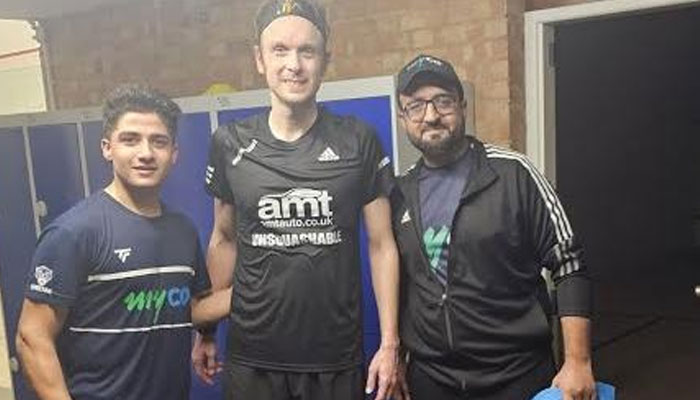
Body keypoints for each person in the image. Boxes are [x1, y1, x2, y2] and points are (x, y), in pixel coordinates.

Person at [191, 1, 400, 399]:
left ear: (325, 60)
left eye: (308, 51)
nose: (294, 65)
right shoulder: (230, 143)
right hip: (253, 359)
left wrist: (390, 343)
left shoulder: (358, 140)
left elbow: (381, 243)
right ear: (259, 59)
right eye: (280, 50)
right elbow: (224, 238)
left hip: (334, 358)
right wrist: (205, 329)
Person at [390, 55, 596, 400]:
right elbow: (399, 286)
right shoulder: (398, 192)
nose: (431, 115)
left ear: (463, 106)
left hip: (517, 376)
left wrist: (578, 361)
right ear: (402, 117)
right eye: (416, 106)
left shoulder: (514, 174)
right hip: (430, 380)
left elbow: (569, 264)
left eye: (443, 101)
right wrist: (395, 354)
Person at [15, 85, 212, 400]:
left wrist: (210, 334)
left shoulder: (183, 231)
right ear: (107, 148)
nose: (145, 153)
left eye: (158, 142)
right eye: (130, 139)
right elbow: (32, 336)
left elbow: (190, 306)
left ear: (174, 153)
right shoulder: (74, 233)